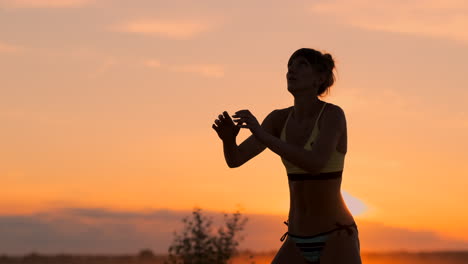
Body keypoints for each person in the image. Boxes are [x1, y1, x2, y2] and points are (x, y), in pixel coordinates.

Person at [212, 48, 362, 264]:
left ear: (319, 78)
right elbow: (235, 160)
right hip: (296, 240)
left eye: (301, 65)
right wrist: (228, 140)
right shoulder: (277, 119)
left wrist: (263, 135)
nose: (292, 69)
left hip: (336, 235)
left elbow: (315, 163)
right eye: (289, 65)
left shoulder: (332, 115)